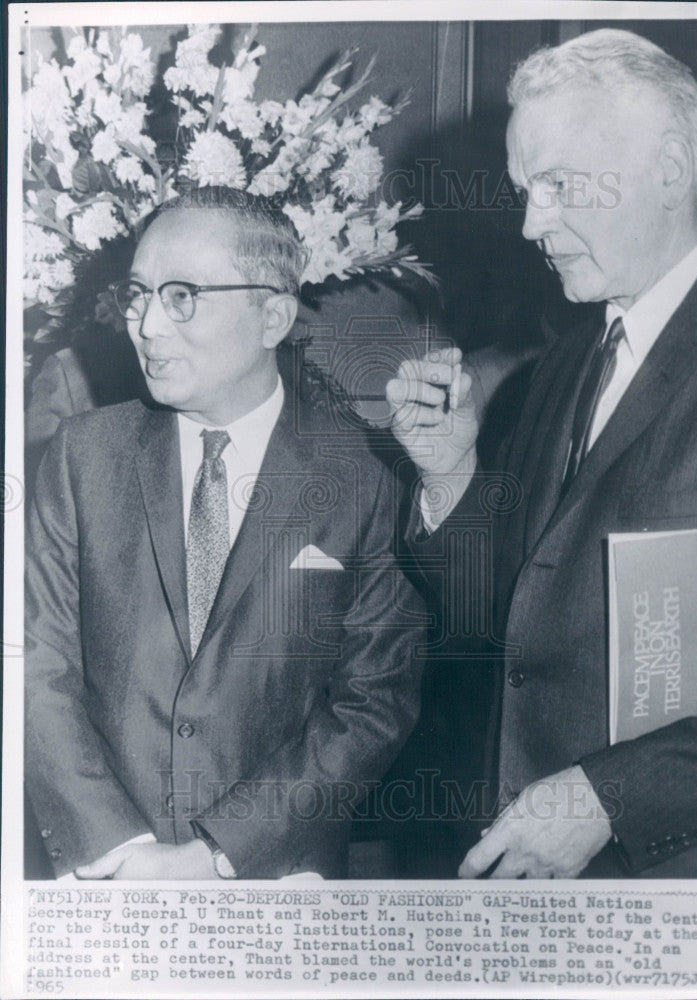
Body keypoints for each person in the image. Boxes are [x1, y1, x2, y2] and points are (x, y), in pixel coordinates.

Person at [387, 28, 697, 879]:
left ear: (673, 169)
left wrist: (612, 795)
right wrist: (450, 471)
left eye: (559, 185)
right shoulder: (569, 360)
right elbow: (509, 606)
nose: (532, 223)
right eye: (523, 191)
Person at [25, 186, 425, 880]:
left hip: (277, 883)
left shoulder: (368, 474)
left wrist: (218, 854)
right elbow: (37, 665)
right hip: (101, 879)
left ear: (272, 315)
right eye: (139, 294)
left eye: (182, 296)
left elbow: (372, 704)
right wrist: (122, 853)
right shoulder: (82, 456)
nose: (147, 324)